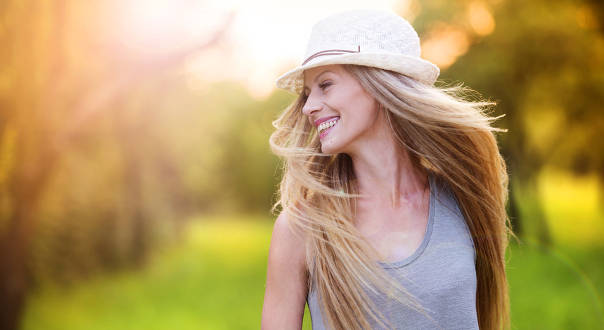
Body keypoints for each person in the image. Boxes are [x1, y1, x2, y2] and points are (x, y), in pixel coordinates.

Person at [261, 9, 515, 330]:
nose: (309, 106)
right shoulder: (300, 229)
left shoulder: (464, 197)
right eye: (308, 93)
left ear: (378, 84)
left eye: (325, 85)